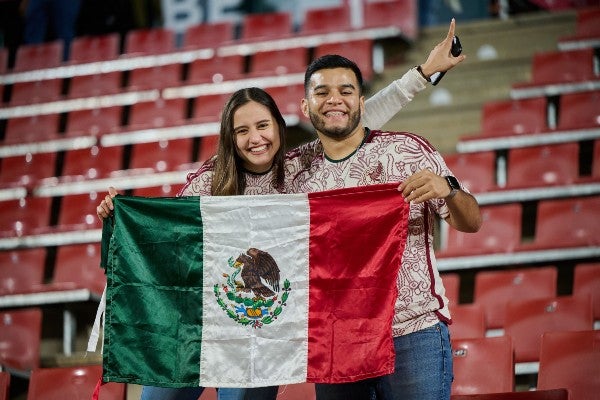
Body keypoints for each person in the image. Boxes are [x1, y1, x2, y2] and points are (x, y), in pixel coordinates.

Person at [96, 19, 466, 400]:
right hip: (194, 321)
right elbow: (167, 234)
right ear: (230, 137)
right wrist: (120, 216)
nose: (256, 138)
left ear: (281, 127)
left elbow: (351, 121)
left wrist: (423, 74)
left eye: (263, 126)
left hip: (255, 328)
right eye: (242, 131)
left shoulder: (297, 168)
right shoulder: (209, 181)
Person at [282, 53, 482, 400]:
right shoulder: (294, 176)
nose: (334, 100)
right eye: (322, 92)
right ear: (305, 105)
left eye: (345, 91)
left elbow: (472, 222)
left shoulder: (406, 151)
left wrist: (448, 190)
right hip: (337, 339)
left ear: (361, 100)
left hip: (411, 331)